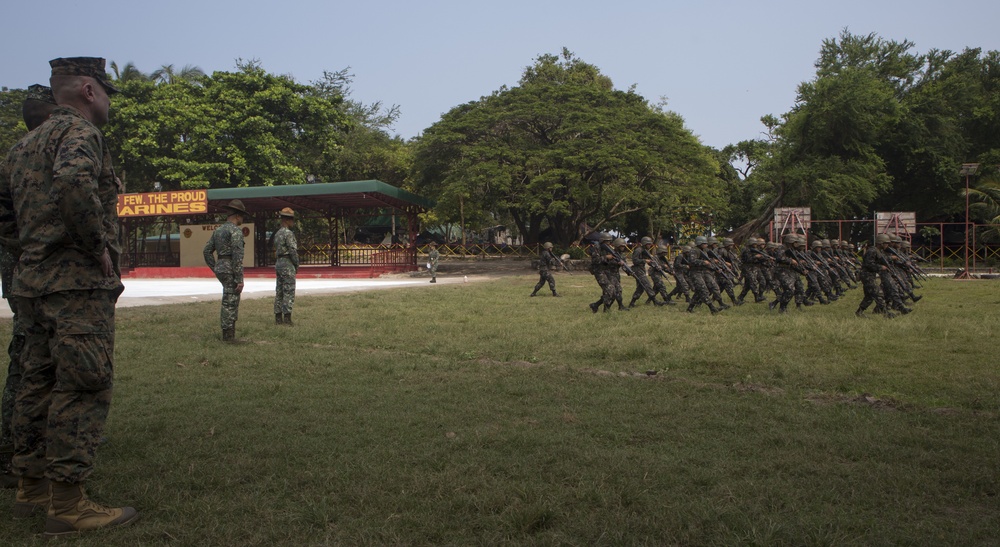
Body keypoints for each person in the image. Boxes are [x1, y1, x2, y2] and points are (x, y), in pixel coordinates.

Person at [0, 57, 138, 535]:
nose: (107, 104)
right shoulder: (80, 134)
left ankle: (30, 486)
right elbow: (75, 182)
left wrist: (32, 253)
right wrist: (93, 243)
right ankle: (68, 502)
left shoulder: (21, 146)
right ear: (87, 89)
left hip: (33, 284)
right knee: (83, 384)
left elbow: (5, 217)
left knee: (37, 381)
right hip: (75, 285)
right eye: (105, 93)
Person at [0, 85, 59, 490]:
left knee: (28, 361)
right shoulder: (55, 152)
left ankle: (21, 450)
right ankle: (19, 454)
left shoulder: (14, 157)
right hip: (48, 277)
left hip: (23, 274)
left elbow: (5, 224)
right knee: (35, 365)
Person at [204, 199, 248, 341]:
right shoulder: (235, 231)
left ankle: (228, 333)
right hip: (230, 267)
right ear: (237, 215)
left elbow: (207, 251)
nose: (242, 219)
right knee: (231, 301)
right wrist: (239, 279)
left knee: (228, 298)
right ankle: (228, 335)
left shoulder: (218, 230)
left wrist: (215, 267)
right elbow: (237, 256)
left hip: (222, 266)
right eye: (242, 216)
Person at [273, 207, 299, 325]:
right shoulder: (289, 234)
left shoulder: (277, 234)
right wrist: (296, 264)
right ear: (288, 220)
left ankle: (278, 317)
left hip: (278, 262)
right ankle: (287, 317)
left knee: (279, 290)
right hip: (287, 263)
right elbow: (292, 251)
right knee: (288, 290)